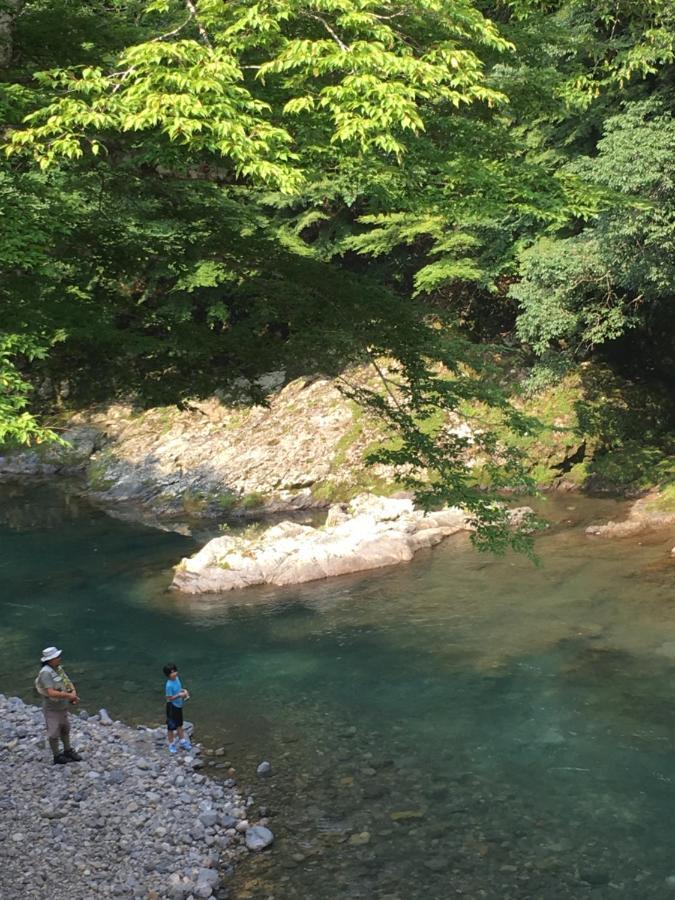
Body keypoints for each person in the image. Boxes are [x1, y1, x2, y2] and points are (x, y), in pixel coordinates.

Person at [35, 646, 82, 765]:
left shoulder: (58, 668)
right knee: (54, 732)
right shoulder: (45, 673)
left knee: (65, 728)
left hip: (62, 706)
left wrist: (73, 693)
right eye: (57, 657)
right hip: (52, 708)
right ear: (50, 660)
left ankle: (67, 750)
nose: (59, 658)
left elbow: (67, 682)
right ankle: (57, 755)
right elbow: (51, 692)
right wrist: (69, 696)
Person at [163, 662, 192, 754]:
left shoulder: (177, 679)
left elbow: (179, 689)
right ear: (168, 675)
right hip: (172, 707)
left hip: (179, 705)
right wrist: (179, 695)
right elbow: (169, 698)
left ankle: (182, 740)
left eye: (175, 671)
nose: (174, 673)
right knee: (171, 727)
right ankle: (171, 744)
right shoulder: (169, 685)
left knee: (180, 724)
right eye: (172, 672)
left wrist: (184, 691)